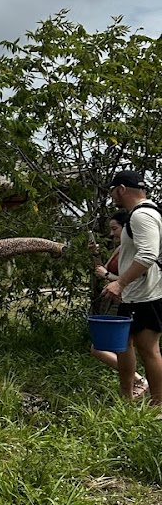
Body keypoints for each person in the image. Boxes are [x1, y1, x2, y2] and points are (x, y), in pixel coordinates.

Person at [103, 170, 162, 405]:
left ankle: (158, 406)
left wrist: (120, 282)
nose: (113, 196)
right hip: (135, 295)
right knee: (122, 345)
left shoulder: (141, 216)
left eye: (112, 191)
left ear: (122, 189)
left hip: (145, 295)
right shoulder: (146, 213)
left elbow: (148, 254)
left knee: (149, 350)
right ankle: (126, 398)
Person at [88, 211, 148, 396]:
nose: (112, 233)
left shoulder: (136, 251)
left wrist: (109, 277)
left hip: (130, 300)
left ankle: (140, 383)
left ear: (127, 229)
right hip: (116, 302)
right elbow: (103, 271)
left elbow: (130, 278)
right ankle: (137, 383)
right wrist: (94, 255)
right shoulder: (119, 249)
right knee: (102, 347)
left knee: (125, 346)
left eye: (115, 228)